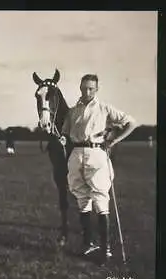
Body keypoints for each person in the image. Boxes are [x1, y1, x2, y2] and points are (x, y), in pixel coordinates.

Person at [59, 74, 137, 263]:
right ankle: (88, 244)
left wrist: (114, 140)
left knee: (101, 199)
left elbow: (131, 122)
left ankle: (105, 250)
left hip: (97, 153)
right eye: (84, 88)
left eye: (90, 88)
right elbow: (65, 133)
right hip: (76, 154)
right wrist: (62, 138)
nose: (86, 92)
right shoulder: (73, 111)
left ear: (96, 89)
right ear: (79, 87)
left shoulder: (104, 108)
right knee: (81, 197)